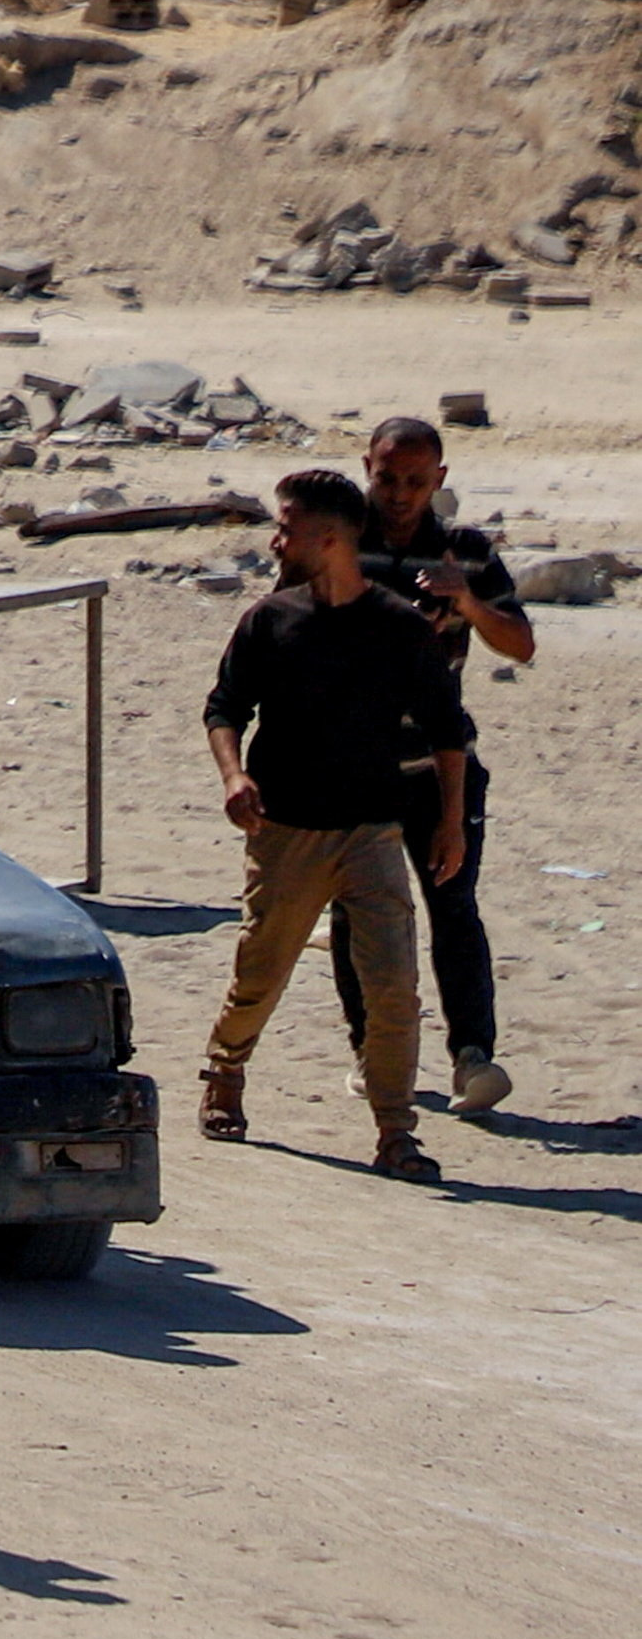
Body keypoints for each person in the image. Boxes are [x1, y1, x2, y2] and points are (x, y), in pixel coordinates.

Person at [197, 467, 472, 1182]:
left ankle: (395, 1132)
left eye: (286, 527)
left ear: (327, 538)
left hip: (372, 831)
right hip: (286, 829)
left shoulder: (399, 630)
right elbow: (225, 708)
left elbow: (450, 733)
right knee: (262, 971)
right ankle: (225, 1073)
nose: (275, 538)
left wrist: (452, 825)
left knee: (393, 987)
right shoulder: (270, 620)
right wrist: (234, 776)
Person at [341, 411, 531, 1116]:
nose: (398, 493)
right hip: (355, 765)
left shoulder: (467, 551)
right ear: (369, 467)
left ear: (439, 481)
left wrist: (466, 603)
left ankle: (472, 1056)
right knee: (359, 910)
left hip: (442, 764)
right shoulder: (339, 541)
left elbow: (521, 645)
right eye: (388, 477)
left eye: (416, 482)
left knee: (453, 905)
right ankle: (371, 1050)